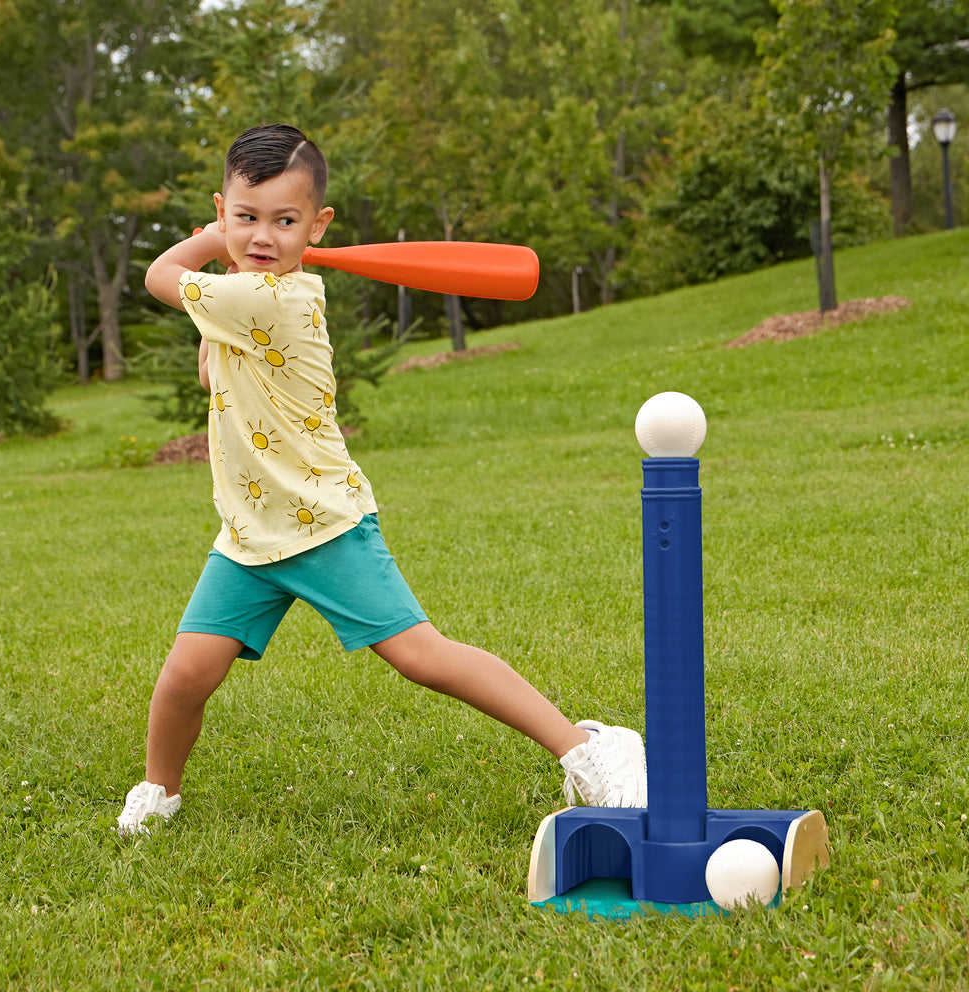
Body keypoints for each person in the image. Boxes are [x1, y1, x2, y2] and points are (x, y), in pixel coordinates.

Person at [117, 123, 646, 836]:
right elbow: (212, 367)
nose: (263, 235)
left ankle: (590, 748)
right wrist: (229, 257)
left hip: (321, 523)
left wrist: (215, 237)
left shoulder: (278, 301)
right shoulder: (243, 298)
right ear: (226, 204)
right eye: (248, 216)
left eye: (285, 221)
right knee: (187, 676)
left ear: (318, 225)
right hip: (250, 533)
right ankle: (159, 790)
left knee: (424, 658)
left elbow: (157, 277)